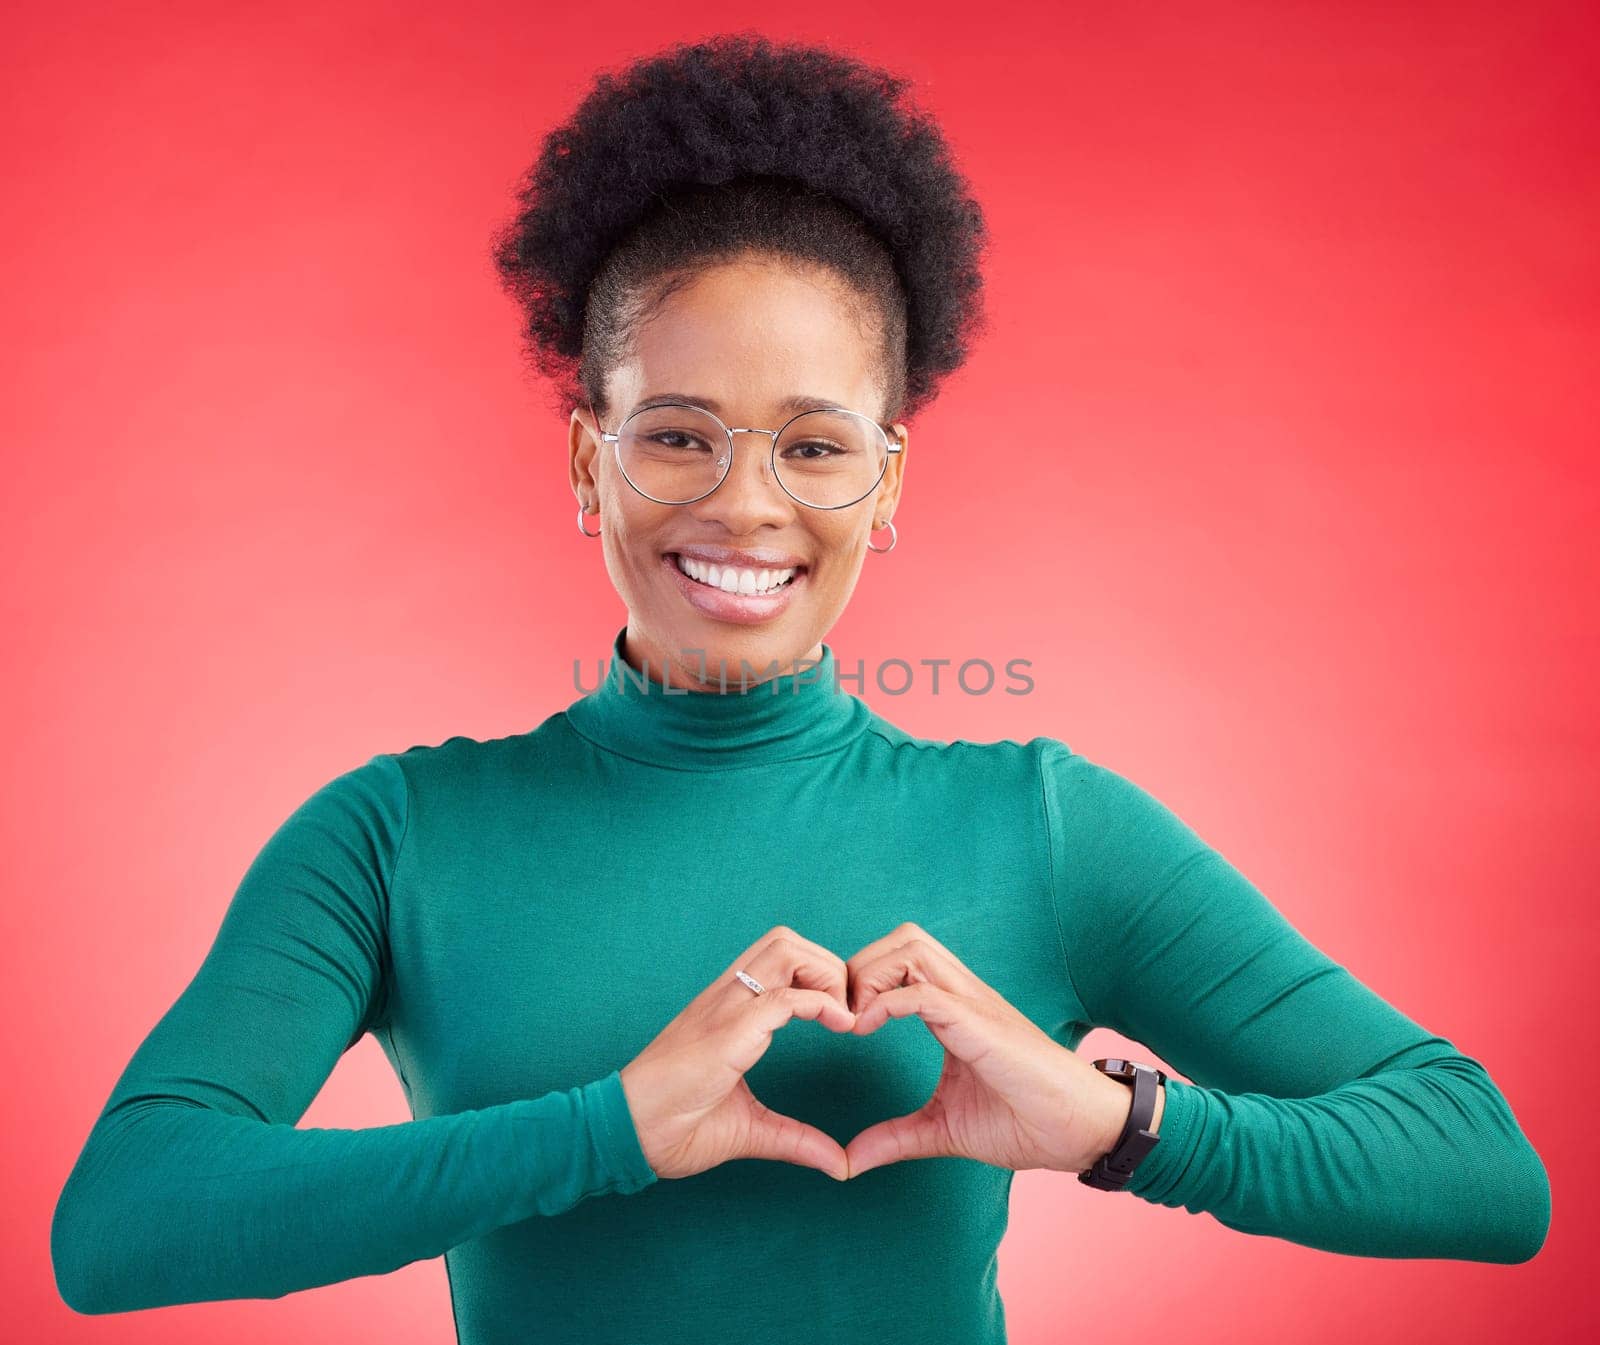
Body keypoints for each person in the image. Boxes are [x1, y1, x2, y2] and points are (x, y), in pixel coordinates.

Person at [50, 31, 1550, 1342]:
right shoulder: (396, 838)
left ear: (887, 483)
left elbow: (1484, 1170)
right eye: (678, 433)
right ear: (590, 460)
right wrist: (609, 1129)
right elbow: (123, 1221)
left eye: (816, 444)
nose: (747, 505)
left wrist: (1114, 1123)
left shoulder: (1041, 826)